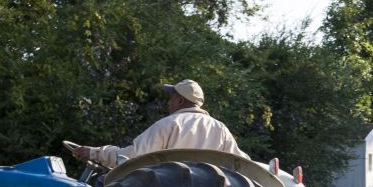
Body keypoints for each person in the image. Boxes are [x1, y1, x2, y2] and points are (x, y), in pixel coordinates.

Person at [74, 79, 247, 168]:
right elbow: (239, 162)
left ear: (179, 101)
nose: (168, 103)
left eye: (171, 98)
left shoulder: (168, 125)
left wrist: (95, 153)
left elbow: (129, 158)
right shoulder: (220, 129)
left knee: (103, 183)